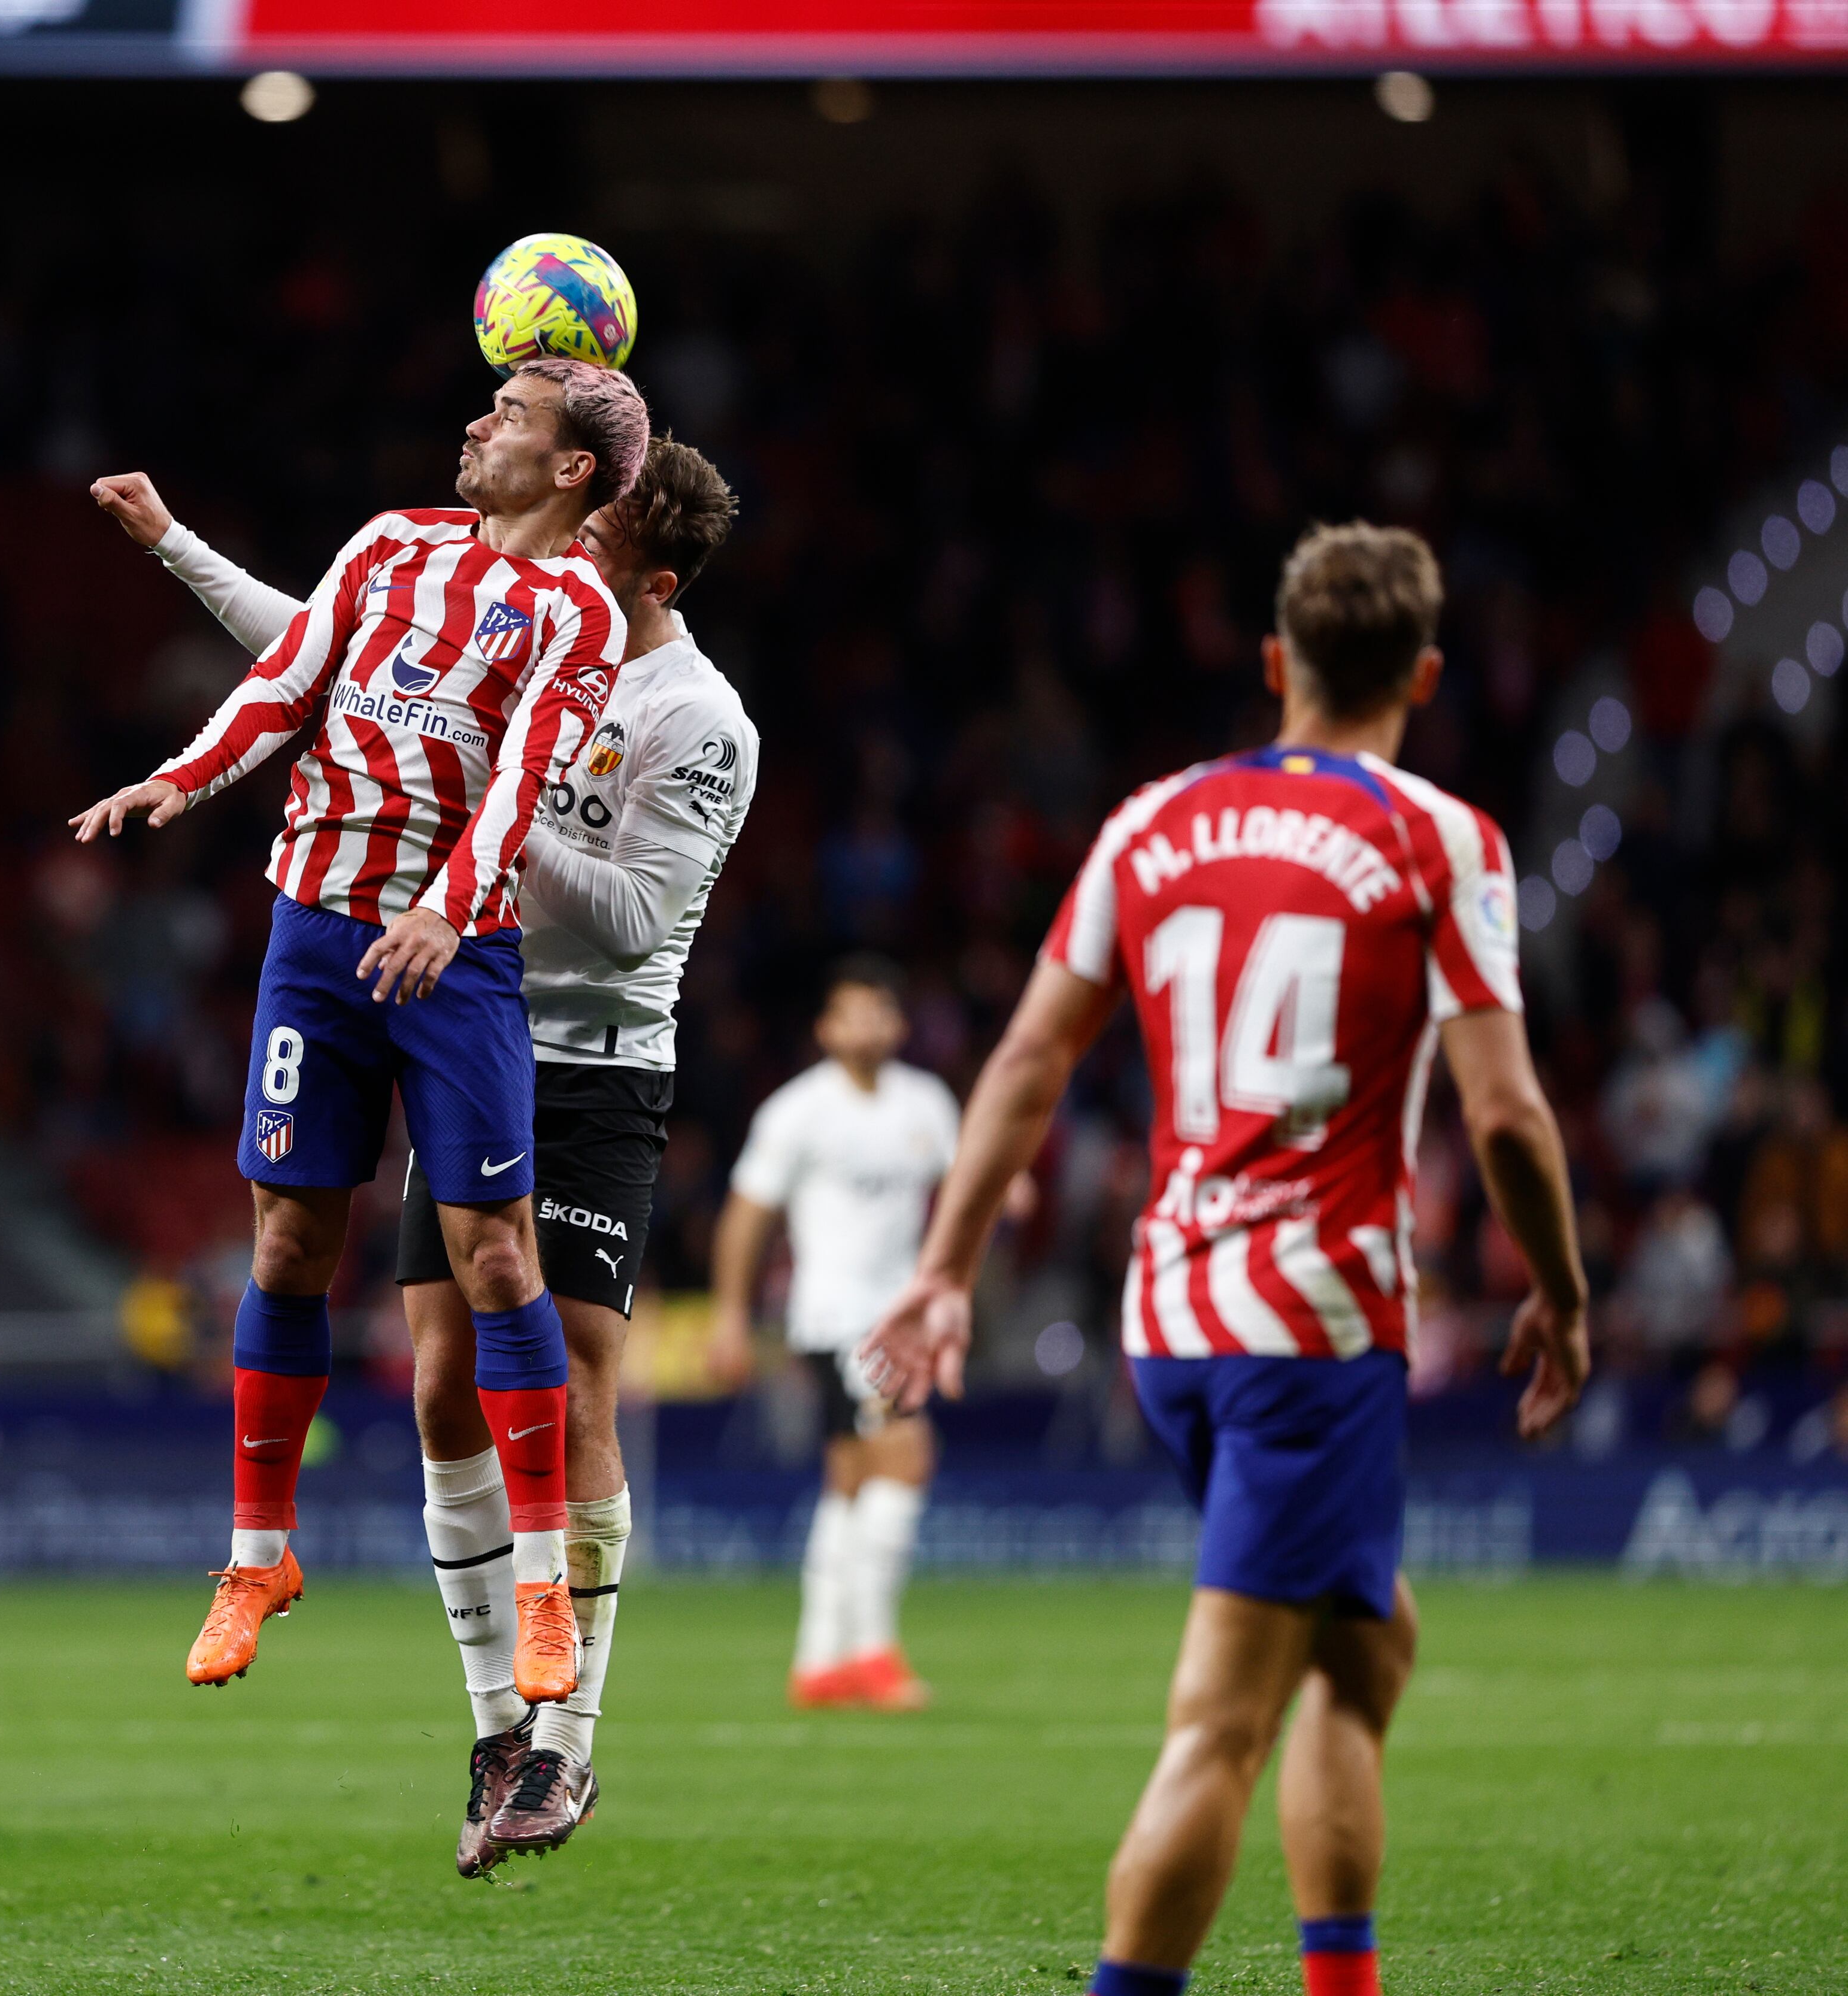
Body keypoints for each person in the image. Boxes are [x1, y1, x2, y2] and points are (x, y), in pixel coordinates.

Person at [863, 523, 1590, 1996]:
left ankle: (1342, 1979)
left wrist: (944, 1267)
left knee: (1362, 1644)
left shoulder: (1148, 823)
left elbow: (1025, 1059)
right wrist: (1562, 1296)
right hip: (1310, 1329)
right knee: (1222, 1726)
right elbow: (1506, 1110)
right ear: (1427, 675)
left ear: (1276, 664)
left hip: (1170, 1315)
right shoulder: (1442, 838)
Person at [95, 434, 752, 1870]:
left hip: (584, 1061)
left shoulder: (697, 716)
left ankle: (567, 1747)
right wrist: (175, 548)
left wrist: (473, 817)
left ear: (647, 566)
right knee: (443, 1386)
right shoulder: (493, 609)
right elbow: (334, 649)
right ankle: (495, 1734)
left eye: (596, 528)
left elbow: (639, 920)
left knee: (575, 1381)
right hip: (434, 995)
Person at [69, 358, 650, 1703]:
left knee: (497, 1257)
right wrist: (177, 777)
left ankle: (543, 1582)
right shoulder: (389, 547)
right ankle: (256, 1556)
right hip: (316, 935)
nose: (474, 421)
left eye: (508, 415)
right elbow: (285, 682)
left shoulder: (576, 612)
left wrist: (451, 911)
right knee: (287, 1237)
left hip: (456, 957)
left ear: (571, 471)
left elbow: (521, 783)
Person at [708, 958, 975, 1712]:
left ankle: (821, 1659)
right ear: (825, 1029)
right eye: (849, 1014)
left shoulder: (924, 1102)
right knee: (906, 1458)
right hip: (835, 1318)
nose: (865, 1027)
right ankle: (873, 1652)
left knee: (853, 1480)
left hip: (902, 1317)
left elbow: (959, 1193)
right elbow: (746, 1215)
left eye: (878, 1012)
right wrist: (731, 1315)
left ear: (898, 1025)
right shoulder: (798, 1111)